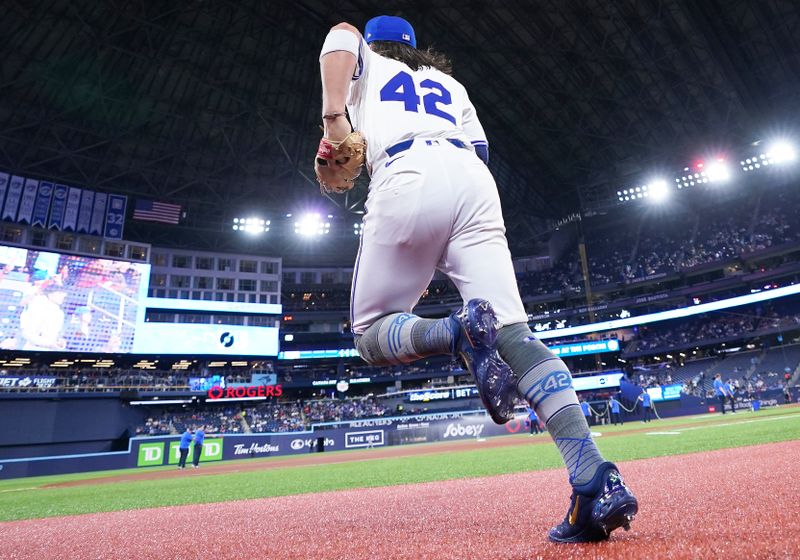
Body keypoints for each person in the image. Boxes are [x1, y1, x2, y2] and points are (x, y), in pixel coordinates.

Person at [315, 15, 636, 543]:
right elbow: (478, 155)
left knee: (371, 334)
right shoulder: (449, 83)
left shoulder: (367, 63)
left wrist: (333, 121)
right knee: (514, 333)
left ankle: (453, 333)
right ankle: (594, 476)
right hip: (472, 180)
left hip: (407, 173)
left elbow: (340, 33)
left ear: (377, 46)